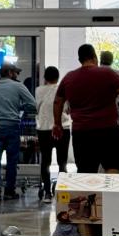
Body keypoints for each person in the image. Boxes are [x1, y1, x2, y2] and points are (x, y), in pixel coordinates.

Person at [53, 44, 119, 174]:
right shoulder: (106, 73)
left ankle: (89, 194)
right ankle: (110, 194)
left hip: (82, 133)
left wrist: (57, 124)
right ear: (95, 57)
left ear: (80, 60)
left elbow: (57, 101)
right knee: (113, 166)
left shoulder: (69, 77)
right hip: (108, 130)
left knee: (85, 171)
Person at [0, 61, 36, 201]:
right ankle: (9, 191)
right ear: (10, 73)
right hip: (11, 126)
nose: (17, 75)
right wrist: (20, 107)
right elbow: (32, 104)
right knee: (12, 160)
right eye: (16, 72)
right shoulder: (18, 86)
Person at [35, 66, 71, 202]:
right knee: (62, 162)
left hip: (44, 128)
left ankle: (47, 193)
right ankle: (62, 193)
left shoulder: (38, 90)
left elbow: (37, 107)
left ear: (45, 77)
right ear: (58, 77)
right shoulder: (63, 89)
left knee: (46, 161)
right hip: (62, 127)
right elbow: (67, 109)